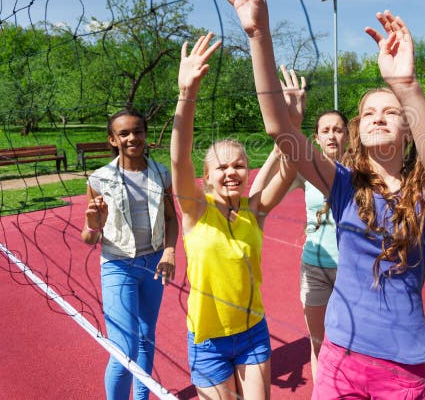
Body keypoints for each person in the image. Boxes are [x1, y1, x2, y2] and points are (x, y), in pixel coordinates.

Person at [216, 0, 425, 399]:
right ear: (356, 129)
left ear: (408, 129)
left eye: (391, 112)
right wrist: (258, 34)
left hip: (402, 364)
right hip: (339, 357)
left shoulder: (424, 192)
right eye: (368, 112)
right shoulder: (344, 184)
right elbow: (280, 130)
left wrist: (406, 86)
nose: (378, 117)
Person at [170, 32, 301, 400]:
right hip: (207, 339)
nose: (231, 172)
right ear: (206, 176)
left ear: (248, 172)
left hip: (252, 333)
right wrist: (187, 94)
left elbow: (290, 170)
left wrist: (291, 126)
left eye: (239, 166)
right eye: (222, 167)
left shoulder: (253, 209)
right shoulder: (195, 211)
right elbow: (179, 158)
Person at [82, 109, 179, 400]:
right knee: (124, 349)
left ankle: (142, 397)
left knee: (147, 338)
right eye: (124, 133)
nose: (132, 137)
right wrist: (94, 223)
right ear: (113, 139)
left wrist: (170, 251)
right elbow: (88, 238)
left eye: (137, 131)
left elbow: (171, 218)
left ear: (145, 134)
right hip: (118, 265)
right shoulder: (99, 179)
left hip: (154, 263)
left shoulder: (161, 173)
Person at [294, 103, 348, 382]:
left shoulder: (361, 171)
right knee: (319, 345)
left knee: (353, 345)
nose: (331, 135)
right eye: (325, 130)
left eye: (338, 130)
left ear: (348, 135)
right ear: (316, 138)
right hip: (313, 269)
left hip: (352, 270)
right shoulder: (305, 171)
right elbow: (262, 194)